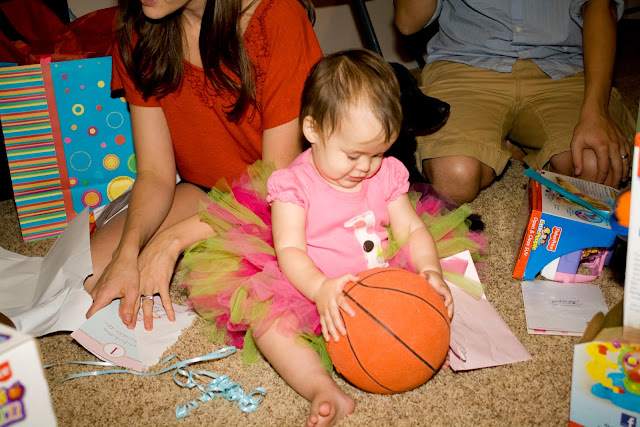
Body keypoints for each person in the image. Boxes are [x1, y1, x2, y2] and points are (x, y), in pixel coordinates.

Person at [179, 49, 467, 427]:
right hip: (311, 284)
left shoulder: (386, 174)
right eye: (353, 155)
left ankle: (423, 344)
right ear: (313, 131)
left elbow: (411, 228)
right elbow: (290, 249)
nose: (365, 167)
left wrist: (430, 271)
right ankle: (321, 388)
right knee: (267, 322)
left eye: (377, 153)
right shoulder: (293, 186)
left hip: (383, 277)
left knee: (431, 298)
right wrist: (319, 289)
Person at [83, 0, 323, 331]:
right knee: (86, 278)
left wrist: (171, 241)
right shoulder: (140, 30)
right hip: (203, 192)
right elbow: (155, 173)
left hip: (281, 204)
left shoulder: (278, 17)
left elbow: (274, 186)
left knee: (260, 308)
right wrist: (126, 252)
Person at [394, 0, 636, 205]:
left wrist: (597, 110)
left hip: (564, 68)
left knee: (595, 170)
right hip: (465, 64)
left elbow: (600, 6)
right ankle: (517, 145)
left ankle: (508, 144)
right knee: (453, 179)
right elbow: (407, 22)